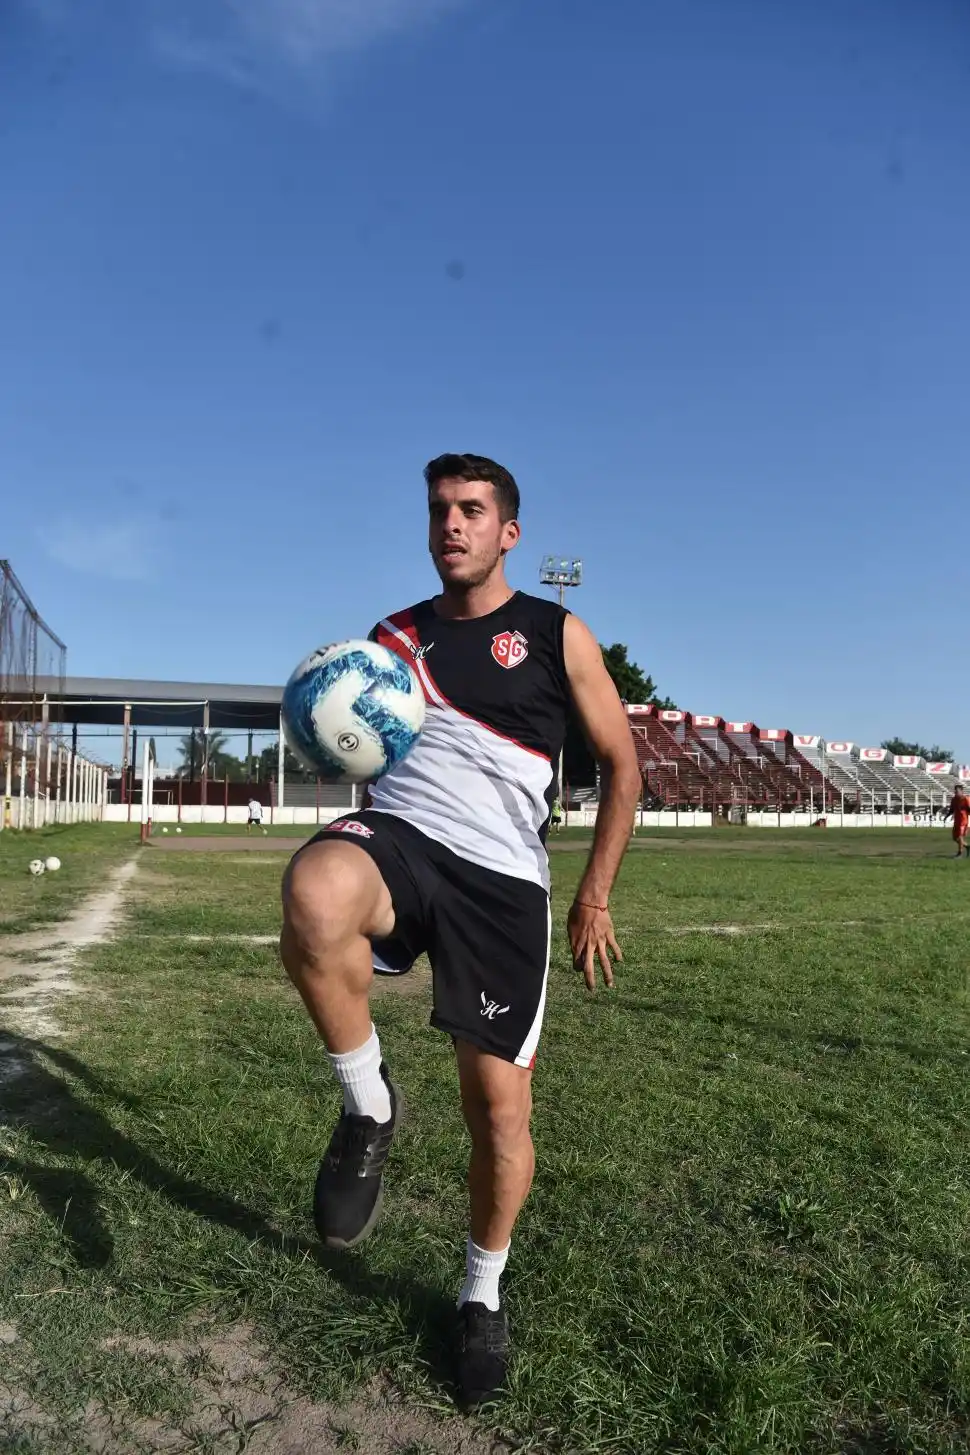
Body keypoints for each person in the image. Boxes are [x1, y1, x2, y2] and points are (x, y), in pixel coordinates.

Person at [280, 453, 640, 1408]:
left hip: (502, 885)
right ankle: (368, 1105)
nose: (452, 524)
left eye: (472, 510)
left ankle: (481, 1293)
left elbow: (623, 765)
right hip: (401, 842)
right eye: (440, 509)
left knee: (498, 1112)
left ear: (508, 532)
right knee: (314, 893)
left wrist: (595, 893)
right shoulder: (391, 640)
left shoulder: (557, 632)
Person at [944, 787, 970, 857]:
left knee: (960, 836)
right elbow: (951, 810)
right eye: (955, 792)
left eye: (957, 791)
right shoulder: (954, 799)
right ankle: (967, 846)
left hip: (963, 821)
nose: (956, 793)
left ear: (961, 791)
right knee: (955, 838)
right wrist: (946, 816)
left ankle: (960, 853)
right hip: (956, 820)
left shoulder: (966, 799)